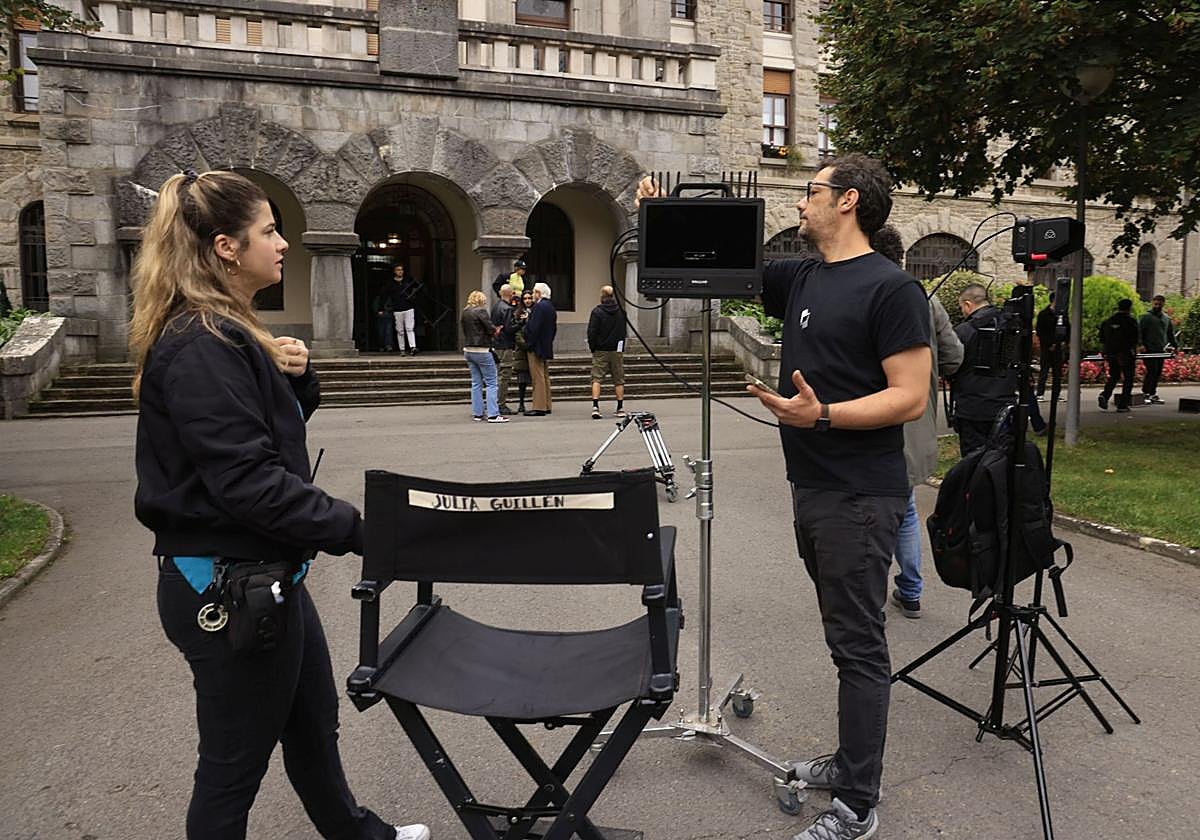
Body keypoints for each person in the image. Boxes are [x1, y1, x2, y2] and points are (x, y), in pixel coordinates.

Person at [128, 170, 429, 840]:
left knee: (312, 727)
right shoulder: (201, 343)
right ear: (227, 247)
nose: (284, 242)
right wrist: (362, 530)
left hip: (266, 577)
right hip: (228, 587)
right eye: (269, 230)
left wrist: (297, 375)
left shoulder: (230, 331)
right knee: (232, 769)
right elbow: (250, 484)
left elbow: (268, 432)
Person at [740, 154, 931, 840]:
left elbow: (911, 396)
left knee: (858, 646)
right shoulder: (802, 275)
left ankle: (856, 802)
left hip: (859, 496)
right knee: (841, 635)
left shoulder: (891, 290)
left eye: (810, 191)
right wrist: (656, 213)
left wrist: (821, 415)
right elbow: (719, 264)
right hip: (813, 487)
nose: (800, 203)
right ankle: (850, 764)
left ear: (846, 201)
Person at [871, 224, 964, 620]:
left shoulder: (865, 293)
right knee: (905, 509)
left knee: (869, 514)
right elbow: (955, 356)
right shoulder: (926, 301)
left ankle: (870, 597)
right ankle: (910, 590)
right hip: (916, 426)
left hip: (872, 421)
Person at [951, 284, 1018, 456]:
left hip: (972, 408)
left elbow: (950, 363)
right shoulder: (1011, 326)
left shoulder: (964, 331)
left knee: (973, 460)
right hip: (1004, 405)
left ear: (967, 304)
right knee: (1001, 459)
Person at [460, 289, 507, 423]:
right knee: (492, 382)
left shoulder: (465, 312)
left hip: (468, 350)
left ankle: (478, 413)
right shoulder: (481, 311)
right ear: (481, 301)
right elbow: (490, 329)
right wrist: (497, 330)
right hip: (482, 349)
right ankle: (493, 414)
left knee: (476, 383)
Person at [586, 285, 628, 419]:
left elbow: (592, 331)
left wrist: (593, 347)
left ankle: (595, 407)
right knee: (619, 379)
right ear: (612, 296)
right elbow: (623, 331)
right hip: (617, 349)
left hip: (601, 349)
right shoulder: (621, 311)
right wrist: (621, 347)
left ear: (602, 296)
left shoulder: (597, 312)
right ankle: (620, 408)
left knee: (597, 378)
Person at [1098, 298, 1140, 412]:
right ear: (1129, 308)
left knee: (1114, 375)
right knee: (1128, 378)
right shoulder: (1131, 322)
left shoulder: (1108, 322)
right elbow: (1134, 339)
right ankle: (1123, 404)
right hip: (1125, 353)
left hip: (1111, 352)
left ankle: (1105, 395)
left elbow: (1102, 338)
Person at [522, 282, 556, 416]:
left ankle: (539, 406)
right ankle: (546, 404)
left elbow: (533, 328)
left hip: (537, 346)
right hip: (546, 344)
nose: (533, 295)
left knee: (538, 377)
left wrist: (528, 341)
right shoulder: (550, 307)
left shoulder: (539, 307)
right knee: (544, 376)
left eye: (535, 292)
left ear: (539, 294)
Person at [1139, 294, 1176, 405]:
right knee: (1152, 371)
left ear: (1163, 304)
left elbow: (1170, 334)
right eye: (1155, 303)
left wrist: (1175, 345)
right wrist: (1140, 344)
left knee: (1157, 372)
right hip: (1149, 349)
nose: (1157, 306)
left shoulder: (1166, 319)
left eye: (1159, 304)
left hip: (1160, 349)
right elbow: (1140, 331)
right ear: (1152, 303)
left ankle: (1152, 393)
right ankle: (1146, 393)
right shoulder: (1146, 317)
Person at [1035, 291, 1069, 401]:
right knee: (1044, 371)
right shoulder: (1044, 314)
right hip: (1047, 347)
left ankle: (1056, 394)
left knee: (1057, 373)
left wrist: (1065, 341)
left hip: (1059, 347)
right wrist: (1049, 343)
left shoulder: (1063, 314)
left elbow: (1068, 328)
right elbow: (1040, 331)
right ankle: (1040, 393)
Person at [490, 283, 519, 415]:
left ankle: (493, 402)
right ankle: (500, 403)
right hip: (505, 344)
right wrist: (520, 323)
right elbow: (509, 328)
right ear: (511, 294)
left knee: (497, 374)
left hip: (496, 343)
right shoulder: (507, 309)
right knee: (505, 374)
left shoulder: (496, 306)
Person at [388, 264, 420, 355]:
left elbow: (417, 287)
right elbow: (387, 294)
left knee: (410, 328)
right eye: (398, 270)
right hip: (397, 309)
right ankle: (402, 349)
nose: (400, 271)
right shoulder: (391, 283)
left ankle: (412, 347)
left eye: (401, 270)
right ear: (394, 271)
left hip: (408, 308)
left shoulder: (408, 281)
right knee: (400, 330)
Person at [512, 294, 533, 414]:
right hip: (522, 350)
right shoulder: (518, 313)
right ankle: (521, 403)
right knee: (522, 378)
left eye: (529, 298)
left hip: (532, 347)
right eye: (525, 298)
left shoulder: (535, 311)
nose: (528, 301)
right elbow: (517, 332)